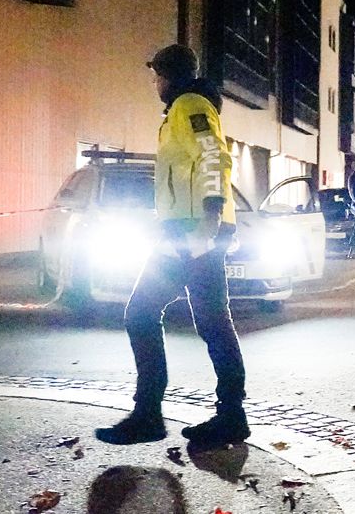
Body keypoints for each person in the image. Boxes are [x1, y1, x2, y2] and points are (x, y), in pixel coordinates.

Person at [96, 44, 248, 446]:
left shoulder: (190, 104)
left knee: (143, 314)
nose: (154, 83)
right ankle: (229, 414)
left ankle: (151, 415)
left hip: (194, 232)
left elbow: (215, 157)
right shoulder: (182, 109)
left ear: (169, 76)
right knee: (210, 322)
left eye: (156, 76)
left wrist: (210, 219)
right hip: (185, 230)